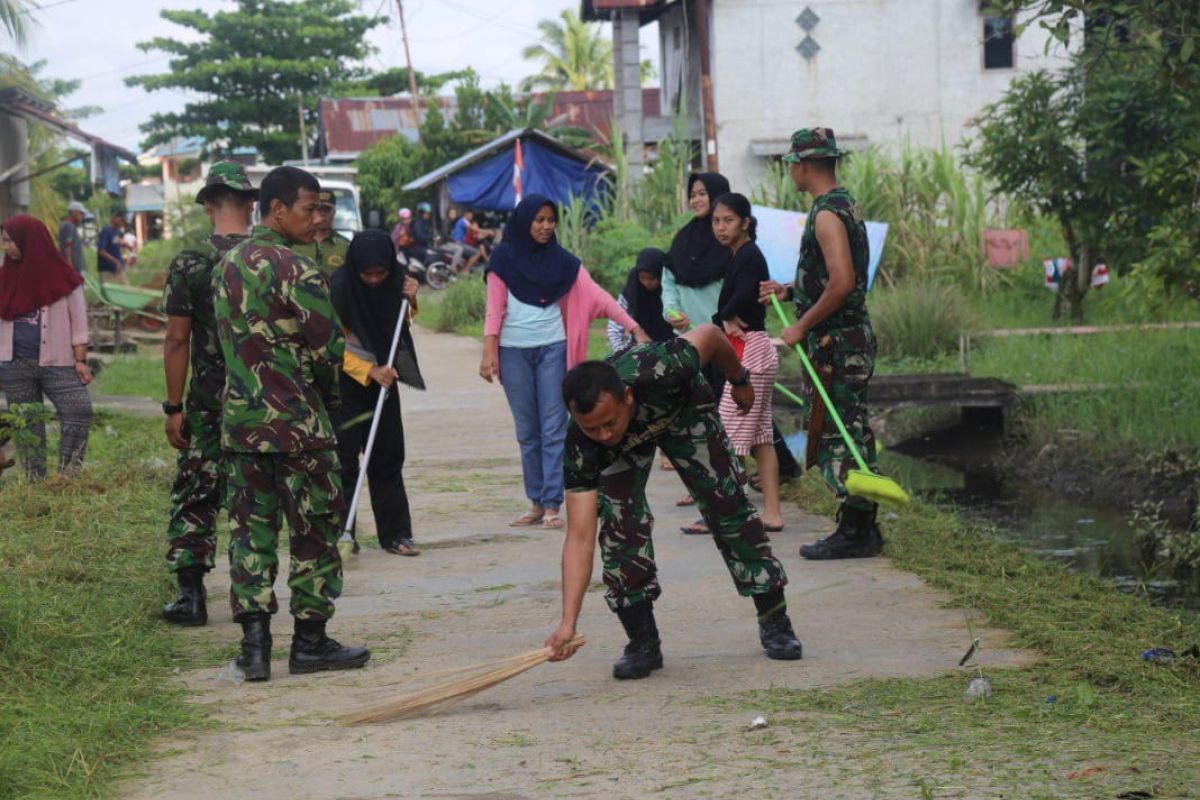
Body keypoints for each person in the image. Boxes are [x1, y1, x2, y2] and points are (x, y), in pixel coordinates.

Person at [543, 326, 804, 678]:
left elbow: (712, 335)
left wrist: (739, 378)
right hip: (626, 449)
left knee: (726, 504)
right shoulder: (583, 446)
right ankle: (643, 644)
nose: (603, 434)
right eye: (591, 428)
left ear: (628, 397)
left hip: (683, 410)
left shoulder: (662, 367)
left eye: (608, 423)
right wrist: (567, 622)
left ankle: (775, 621)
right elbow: (580, 537)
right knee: (620, 528)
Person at [214, 165, 369, 681]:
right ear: (277, 209)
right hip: (299, 427)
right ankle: (310, 644)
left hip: (241, 428)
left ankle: (254, 649)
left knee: (250, 535)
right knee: (314, 532)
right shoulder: (299, 270)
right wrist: (327, 402)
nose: (317, 219)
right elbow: (327, 351)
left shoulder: (226, 267)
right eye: (308, 208)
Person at [481, 194, 649, 530]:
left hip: (554, 349)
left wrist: (636, 328)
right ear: (525, 221)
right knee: (527, 430)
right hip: (513, 351)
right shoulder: (502, 259)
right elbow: (493, 308)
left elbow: (600, 298)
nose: (545, 227)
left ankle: (552, 505)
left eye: (550, 220)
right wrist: (489, 352)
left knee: (555, 426)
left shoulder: (565, 264)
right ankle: (535, 502)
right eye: (538, 220)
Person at [760, 128, 884, 560]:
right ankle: (861, 525)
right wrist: (790, 291)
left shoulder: (827, 215)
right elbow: (832, 277)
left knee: (838, 435)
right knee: (850, 429)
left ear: (804, 165)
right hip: (846, 337)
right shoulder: (842, 204)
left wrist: (799, 327)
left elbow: (844, 282)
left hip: (837, 343)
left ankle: (855, 532)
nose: (790, 171)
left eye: (791, 163)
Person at [159, 162, 257, 627]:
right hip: (266, 403)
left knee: (197, 493)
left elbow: (177, 340)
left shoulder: (191, 262)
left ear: (207, 205)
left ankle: (191, 598)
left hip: (208, 402)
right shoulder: (274, 257)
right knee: (252, 501)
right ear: (251, 204)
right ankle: (252, 605)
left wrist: (173, 407)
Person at [332, 230, 424, 557]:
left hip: (384, 383)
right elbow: (331, 344)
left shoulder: (396, 282)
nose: (373, 280)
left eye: (380, 273)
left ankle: (396, 534)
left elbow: (402, 323)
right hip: (345, 385)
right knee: (343, 461)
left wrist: (411, 298)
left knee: (387, 456)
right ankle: (341, 535)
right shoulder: (340, 289)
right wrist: (367, 370)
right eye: (366, 274)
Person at [710, 193, 784, 532]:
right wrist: (724, 319)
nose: (721, 227)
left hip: (751, 352)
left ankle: (724, 512)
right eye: (717, 221)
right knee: (760, 438)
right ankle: (771, 512)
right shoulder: (739, 255)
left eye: (728, 220)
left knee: (726, 431)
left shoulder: (749, 256)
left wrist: (722, 316)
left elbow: (742, 295)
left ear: (745, 223)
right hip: (752, 349)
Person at [0, 215, 93, 479]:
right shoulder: (3, 278)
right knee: (27, 423)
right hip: (13, 363)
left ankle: (68, 476)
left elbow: (79, 324)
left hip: (59, 362)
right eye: (4, 241)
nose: (6, 247)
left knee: (78, 409)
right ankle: (35, 482)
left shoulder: (65, 278)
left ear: (31, 241)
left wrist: (81, 360)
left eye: (11, 241)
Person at [606, 247, 675, 352]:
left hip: (671, 348)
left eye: (652, 278)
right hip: (640, 347)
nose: (646, 283)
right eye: (642, 278)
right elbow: (615, 322)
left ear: (661, 275)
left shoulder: (672, 290)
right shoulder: (633, 288)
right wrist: (620, 352)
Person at [293, 189, 349, 276]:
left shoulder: (344, 245)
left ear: (333, 213)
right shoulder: (296, 243)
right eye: (319, 210)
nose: (323, 215)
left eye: (327, 210)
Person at [58, 200, 89, 274]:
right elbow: (67, 246)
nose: (83, 216)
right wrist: (69, 266)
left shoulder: (68, 225)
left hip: (77, 267)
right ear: (73, 212)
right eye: (81, 213)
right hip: (75, 268)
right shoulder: (69, 226)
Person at [450, 208, 484, 272]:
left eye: (472, 215)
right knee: (477, 252)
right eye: (470, 215)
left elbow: (477, 235)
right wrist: (488, 232)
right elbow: (475, 230)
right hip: (459, 243)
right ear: (466, 214)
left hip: (460, 243)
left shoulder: (462, 221)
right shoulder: (463, 221)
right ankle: (466, 271)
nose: (471, 217)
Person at [96, 211, 126, 283]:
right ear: (116, 218)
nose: (123, 224)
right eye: (122, 221)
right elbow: (101, 251)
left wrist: (126, 245)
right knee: (109, 293)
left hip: (118, 269)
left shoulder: (117, 231)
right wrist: (115, 261)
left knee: (126, 291)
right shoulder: (106, 231)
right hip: (107, 270)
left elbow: (115, 242)